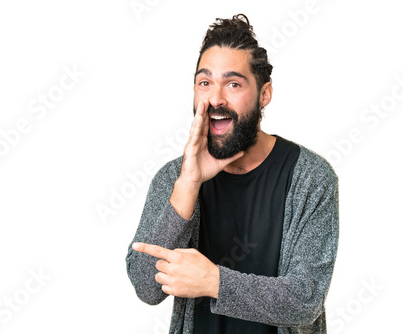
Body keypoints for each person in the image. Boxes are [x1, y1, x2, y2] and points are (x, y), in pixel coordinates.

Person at [126, 14, 339, 334]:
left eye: (233, 83)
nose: (215, 98)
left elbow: (305, 300)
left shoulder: (311, 177)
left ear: (264, 94)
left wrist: (214, 282)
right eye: (205, 82)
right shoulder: (174, 178)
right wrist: (188, 184)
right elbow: (147, 287)